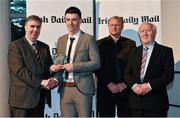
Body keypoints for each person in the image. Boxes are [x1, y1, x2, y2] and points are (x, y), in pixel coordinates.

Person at [52, 6, 100, 117]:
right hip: (64, 89)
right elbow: (60, 62)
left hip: (83, 90)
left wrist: (75, 66)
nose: (70, 23)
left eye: (74, 19)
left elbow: (96, 63)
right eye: (68, 20)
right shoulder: (61, 40)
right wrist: (55, 75)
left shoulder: (88, 39)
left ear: (80, 20)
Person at [8, 15, 58, 117]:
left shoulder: (44, 47)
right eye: (32, 26)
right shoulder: (15, 46)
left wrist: (52, 69)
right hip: (22, 101)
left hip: (39, 99)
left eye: (38, 27)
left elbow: (47, 67)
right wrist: (41, 82)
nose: (35, 29)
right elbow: (19, 71)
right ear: (25, 27)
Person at [124, 22, 174, 117]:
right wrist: (134, 86)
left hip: (156, 104)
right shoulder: (133, 51)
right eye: (142, 31)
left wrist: (149, 86)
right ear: (139, 35)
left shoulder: (165, 51)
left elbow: (168, 75)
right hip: (135, 105)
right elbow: (126, 73)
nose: (145, 34)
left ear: (154, 33)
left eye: (148, 31)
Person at [95, 16, 136, 117]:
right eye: (112, 25)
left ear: (122, 27)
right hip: (105, 89)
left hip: (125, 89)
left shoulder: (130, 44)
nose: (114, 27)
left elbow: (133, 66)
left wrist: (125, 84)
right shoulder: (99, 44)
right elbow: (97, 67)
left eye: (117, 25)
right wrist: (109, 84)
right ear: (108, 27)